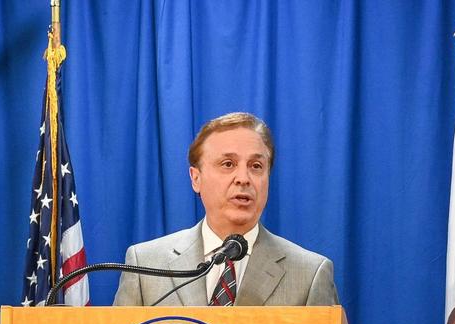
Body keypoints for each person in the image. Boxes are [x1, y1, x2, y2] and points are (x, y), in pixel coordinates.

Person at [113, 112, 338, 307]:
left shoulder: (310, 274)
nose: (243, 178)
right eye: (228, 164)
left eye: (256, 166)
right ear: (196, 178)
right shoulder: (145, 265)